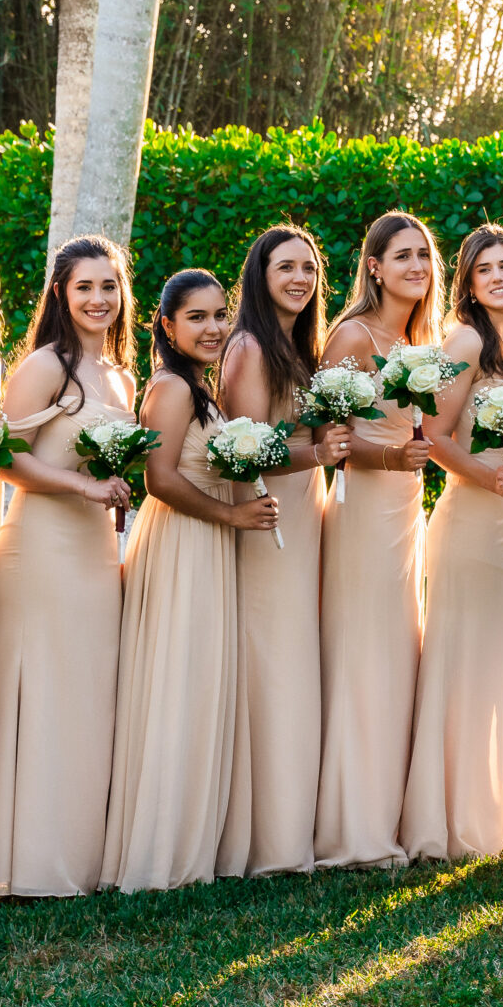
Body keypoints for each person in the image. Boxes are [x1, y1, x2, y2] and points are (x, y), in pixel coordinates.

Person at [104, 270, 279, 892]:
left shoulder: (203, 389)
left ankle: (195, 842)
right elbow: (160, 479)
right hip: (181, 538)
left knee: (200, 681)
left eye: (220, 315)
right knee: (176, 680)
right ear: (168, 326)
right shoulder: (171, 389)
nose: (212, 328)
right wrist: (233, 515)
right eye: (197, 318)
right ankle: (161, 853)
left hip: (207, 541)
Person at [0, 235, 138, 899]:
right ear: (60, 295)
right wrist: (83, 488)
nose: (99, 299)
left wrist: (114, 486)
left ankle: (82, 853)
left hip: (97, 548)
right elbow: (2, 455)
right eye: (85, 287)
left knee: (87, 695)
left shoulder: (122, 375)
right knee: (40, 696)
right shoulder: (46, 364)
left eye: (109, 286)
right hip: (42, 546)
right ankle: (30, 867)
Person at [401, 225, 503, 862]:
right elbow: (431, 434)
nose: (498, 277)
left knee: (498, 666)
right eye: (485, 269)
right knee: (464, 666)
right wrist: (487, 475)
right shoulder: (463, 342)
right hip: (470, 526)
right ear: (469, 283)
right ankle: (448, 817)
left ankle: (489, 801)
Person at [218, 227, 350, 878]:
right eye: (286, 266)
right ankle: (269, 836)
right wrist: (316, 452)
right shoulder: (247, 347)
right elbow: (246, 448)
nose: (300, 277)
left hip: (304, 513)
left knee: (297, 658)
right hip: (268, 519)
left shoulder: (300, 350)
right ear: (259, 274)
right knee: (274, 662)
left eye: (309, 267)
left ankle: (296, 821)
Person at [314, 212, 437, 869]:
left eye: (423, 254)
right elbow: (330, 440)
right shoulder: (352, 337)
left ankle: (392, 804)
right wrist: (390, 460)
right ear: (374, 267)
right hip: (365, 507)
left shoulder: (420, 338)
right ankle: (355, 823)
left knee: (397, 653)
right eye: (402, 255)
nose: (416, 265)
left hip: (405, 511)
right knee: (365, 653)